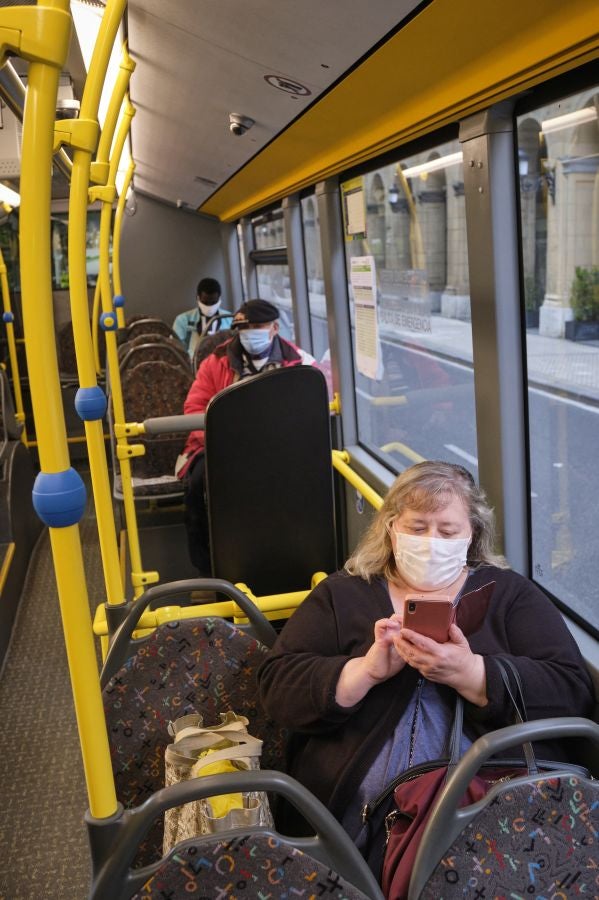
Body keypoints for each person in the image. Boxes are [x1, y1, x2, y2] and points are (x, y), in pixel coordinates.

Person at [257, 460, 595, 874]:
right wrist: (364, 673)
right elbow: (277, 687)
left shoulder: (507, 595)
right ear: (391, 528)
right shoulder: (343, 595)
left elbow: (571, 687)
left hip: (487, 806)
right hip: (351, 815)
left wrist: (474, 675)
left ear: (471, 535)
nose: (432, 541)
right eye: (417, 528)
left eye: (448, 531)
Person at [178, 299, 316, 573]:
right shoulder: (215, 363)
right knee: (197, 484)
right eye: (244, 328)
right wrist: (223, 441)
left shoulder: (299, 362)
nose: (250, 333)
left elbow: (313, 406)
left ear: (275, 328)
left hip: (281, 448)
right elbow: (194, 409)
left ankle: (299, 560)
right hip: (223, 447)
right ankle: (209, 567)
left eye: (257, 326)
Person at [172, 277, 233, 358]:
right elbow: (176, 348)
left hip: (222, 364)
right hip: (193, 365)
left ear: (219, 299)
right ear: (198, 298)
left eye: (213, 302)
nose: (209, 306)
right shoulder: (183, 320)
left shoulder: (230, 318)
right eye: (205, 302)